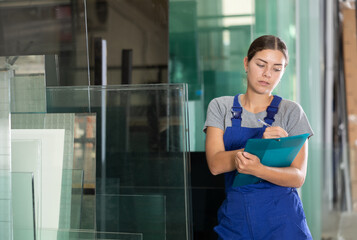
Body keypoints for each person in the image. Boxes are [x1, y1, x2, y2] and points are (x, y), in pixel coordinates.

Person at [203, 35, 314, 239]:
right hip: (236, 223)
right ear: (246, 63)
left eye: (276, 68)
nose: (267, 74)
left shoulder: (291, 112)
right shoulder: (220, 107)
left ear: (283, 72)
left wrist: (259, 168)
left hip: (284, 223)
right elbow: (215, 164)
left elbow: (298, 177)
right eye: (261, 64)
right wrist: (261, 147)